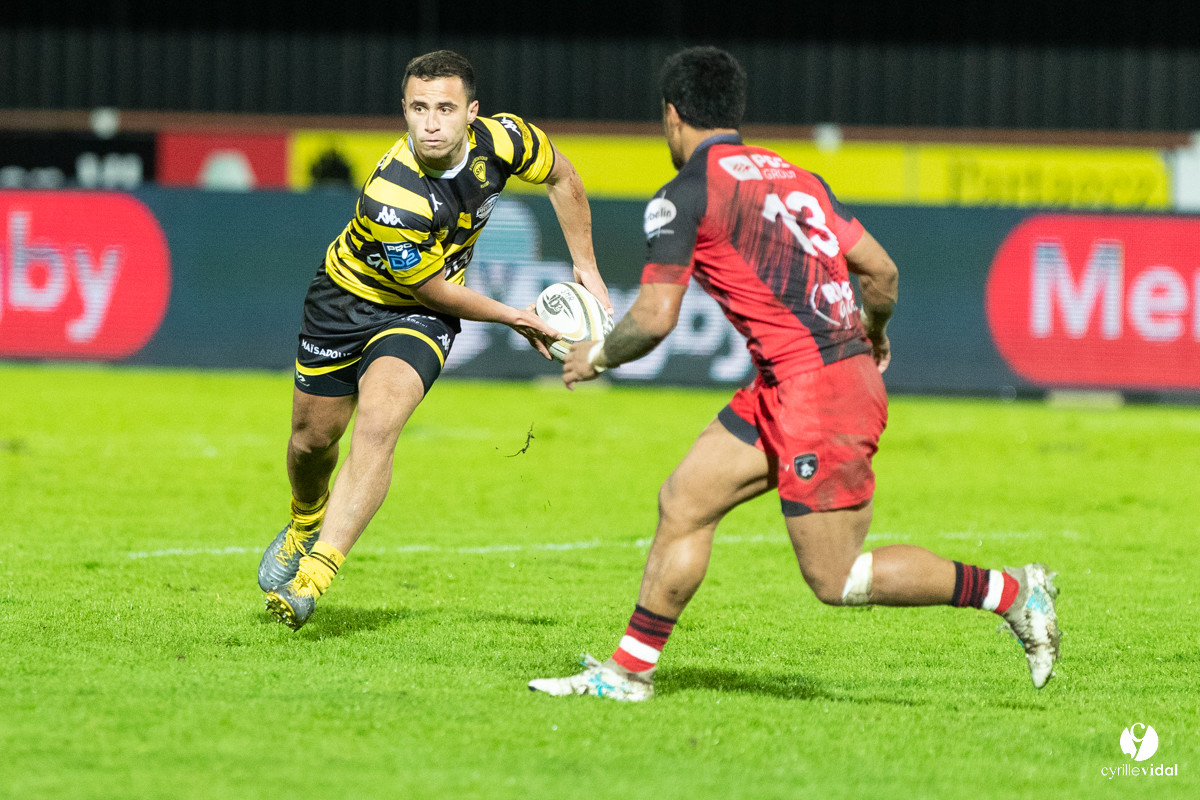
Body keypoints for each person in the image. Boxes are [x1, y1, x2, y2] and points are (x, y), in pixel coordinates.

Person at [528, 46, 1059, 701]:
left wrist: (597, 355)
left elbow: (658, 316)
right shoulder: (800, 178)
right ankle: (628, 674)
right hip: (800, 382)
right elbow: (882, 272)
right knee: (685, 502)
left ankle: (1012, 591)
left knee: (837, 578)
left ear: (672, 116)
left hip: (820, 396)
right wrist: (875, 331)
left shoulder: (683, 195)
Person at [258, 49, 611, 630]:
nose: (430, 122)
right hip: (348, 302)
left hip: (414, 320)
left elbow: (563, 176)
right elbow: (435, 289)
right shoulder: (392, 192)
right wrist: (515, 318)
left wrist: (587, 267)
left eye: (445, 108)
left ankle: (315, 576)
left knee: (378, 425)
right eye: (418, 108)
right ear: (404, 109)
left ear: (472, 112)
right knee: (311, 442)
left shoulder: (506, 141)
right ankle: (303, 519)